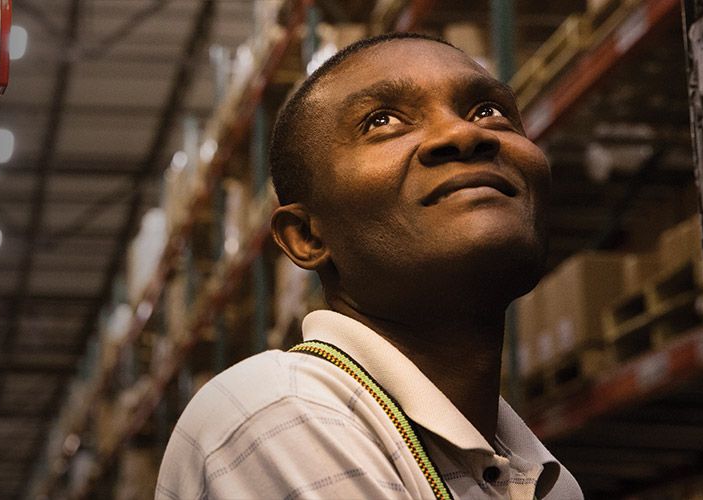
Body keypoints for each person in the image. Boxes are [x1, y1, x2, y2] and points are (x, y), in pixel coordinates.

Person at [155, 32, 583, 499]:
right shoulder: (279, 412)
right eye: (382, 121)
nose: (465, 134)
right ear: (307, 237)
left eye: (488, 111)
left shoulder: (546, 479)